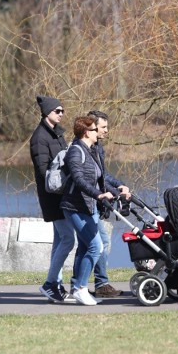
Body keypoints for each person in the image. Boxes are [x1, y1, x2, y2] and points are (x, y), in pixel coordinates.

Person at [61, 116, 130, 305]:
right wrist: (99, 195)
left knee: (87, 246)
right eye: (94, 130)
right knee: (96, 246)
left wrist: (116, 191)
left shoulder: (91, 151)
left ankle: (78, 288)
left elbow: (100, 178)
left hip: (88, 206)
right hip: (75, 206)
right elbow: (79, 179)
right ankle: (81, 288)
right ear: (86, 132)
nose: (99, 132)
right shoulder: (76, 151)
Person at [29, 95, 75, 303]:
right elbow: (44, 170)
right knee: (67, 239)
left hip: (61, 193)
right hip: (52, 196)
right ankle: (50, 284)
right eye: (58, 111)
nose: (61, 114)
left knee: (59, 240)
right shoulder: (40, 137)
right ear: (47, 112)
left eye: (63, 110)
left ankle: (56, 285)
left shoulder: (57, 134)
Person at [87, 110, 129, 298]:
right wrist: (112, 192)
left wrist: (119, 185)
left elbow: (103, 175)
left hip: (97, 203)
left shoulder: (98, 147)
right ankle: (100, 284)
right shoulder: (84, 148)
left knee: (93, 245)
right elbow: (94, 180)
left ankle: (81, 284)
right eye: (103, 127)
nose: (107, 131)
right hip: (88, 203)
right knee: (100, 243)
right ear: (92, 127)